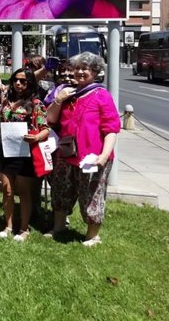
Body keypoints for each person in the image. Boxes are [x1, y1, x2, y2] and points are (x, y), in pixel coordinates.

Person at [46, 52, 120, 246]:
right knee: (61, 191)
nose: (79, 72)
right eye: (76, 68)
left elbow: (111, 129)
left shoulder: (101, 95)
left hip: (92, 157)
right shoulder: (68, 93)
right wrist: (58, 100)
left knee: (91, 194)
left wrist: (104, 156)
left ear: (95, 72)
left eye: (84, 69)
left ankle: (92, 235)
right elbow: (51, 119)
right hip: (67, 154)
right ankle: (59, 227)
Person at [0, 68, 49, 242]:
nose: (18, 84)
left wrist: (35, 137)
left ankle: (24, 229)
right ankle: (8, 226)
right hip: (6, 150)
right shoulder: (6, 101)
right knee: (7, 190)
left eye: (23, 81)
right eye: (16, 80)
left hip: (25, 152)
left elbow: (45, 130)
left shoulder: (36, 104)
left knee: (23, 192)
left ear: (30, 83)